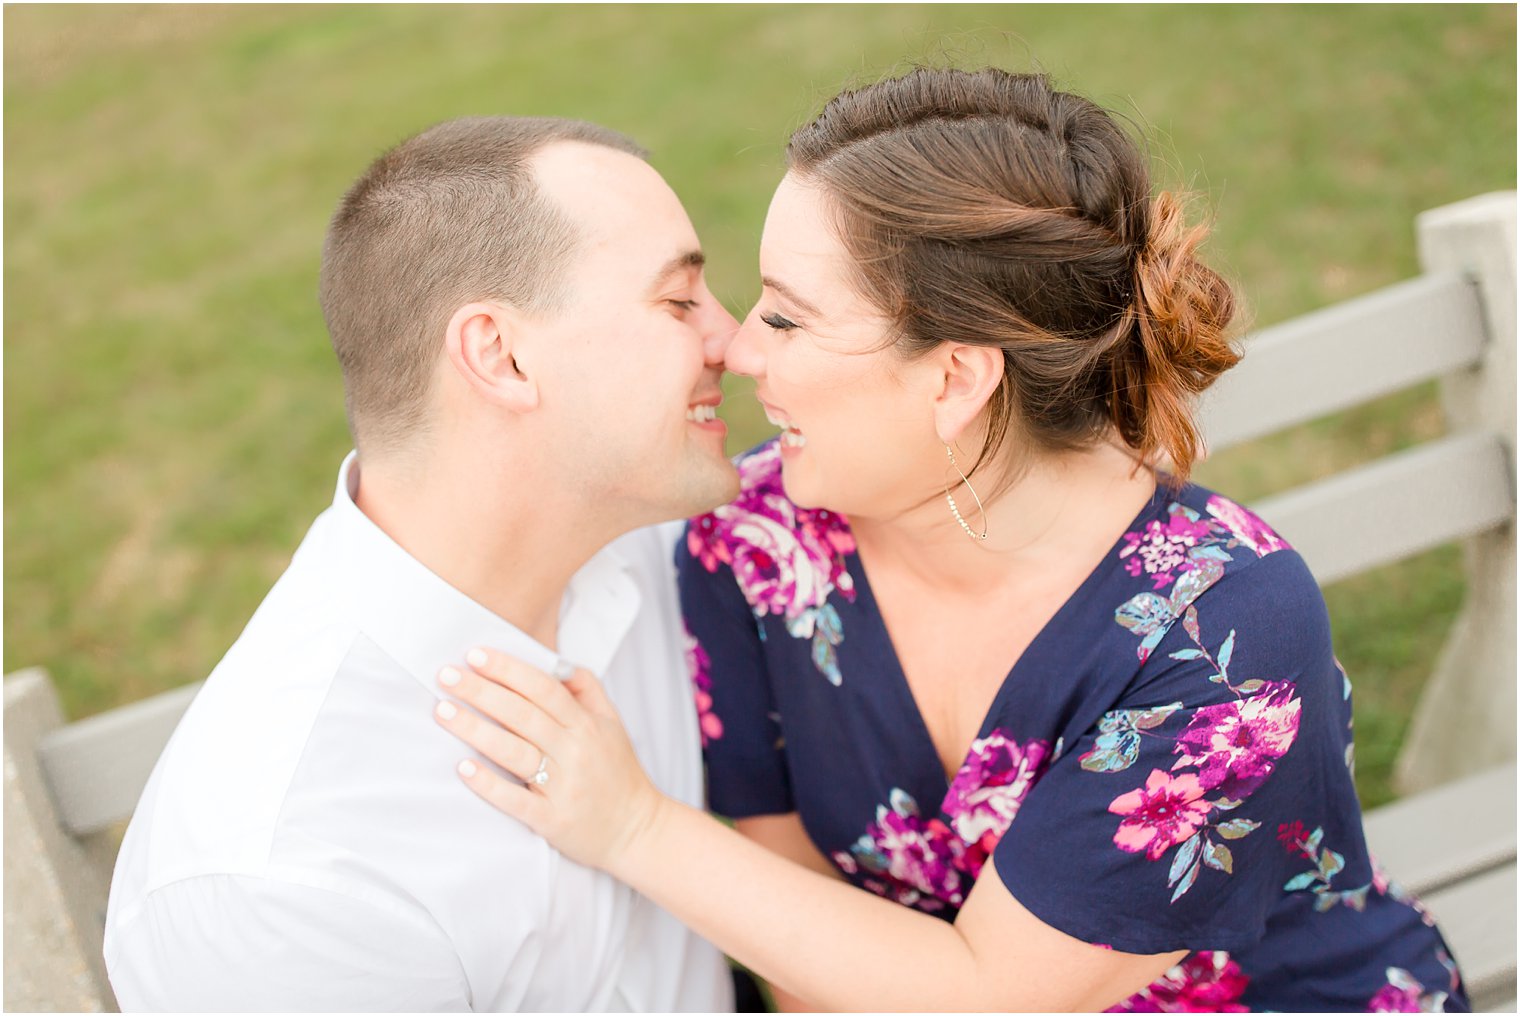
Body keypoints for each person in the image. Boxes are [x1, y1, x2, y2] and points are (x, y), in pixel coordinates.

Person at [435, 70, 1470, 1012]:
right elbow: (786, 921)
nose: (740, 348)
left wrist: (632, 826)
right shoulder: (751, 543)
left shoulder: (1223, 640)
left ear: (953, 379)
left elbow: (993, 992)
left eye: (788, 319)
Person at [103, 116, 744, 1011]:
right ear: (501, 355)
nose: (736, 340)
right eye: (678, 302)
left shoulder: (637, 536)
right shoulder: (286, 877)